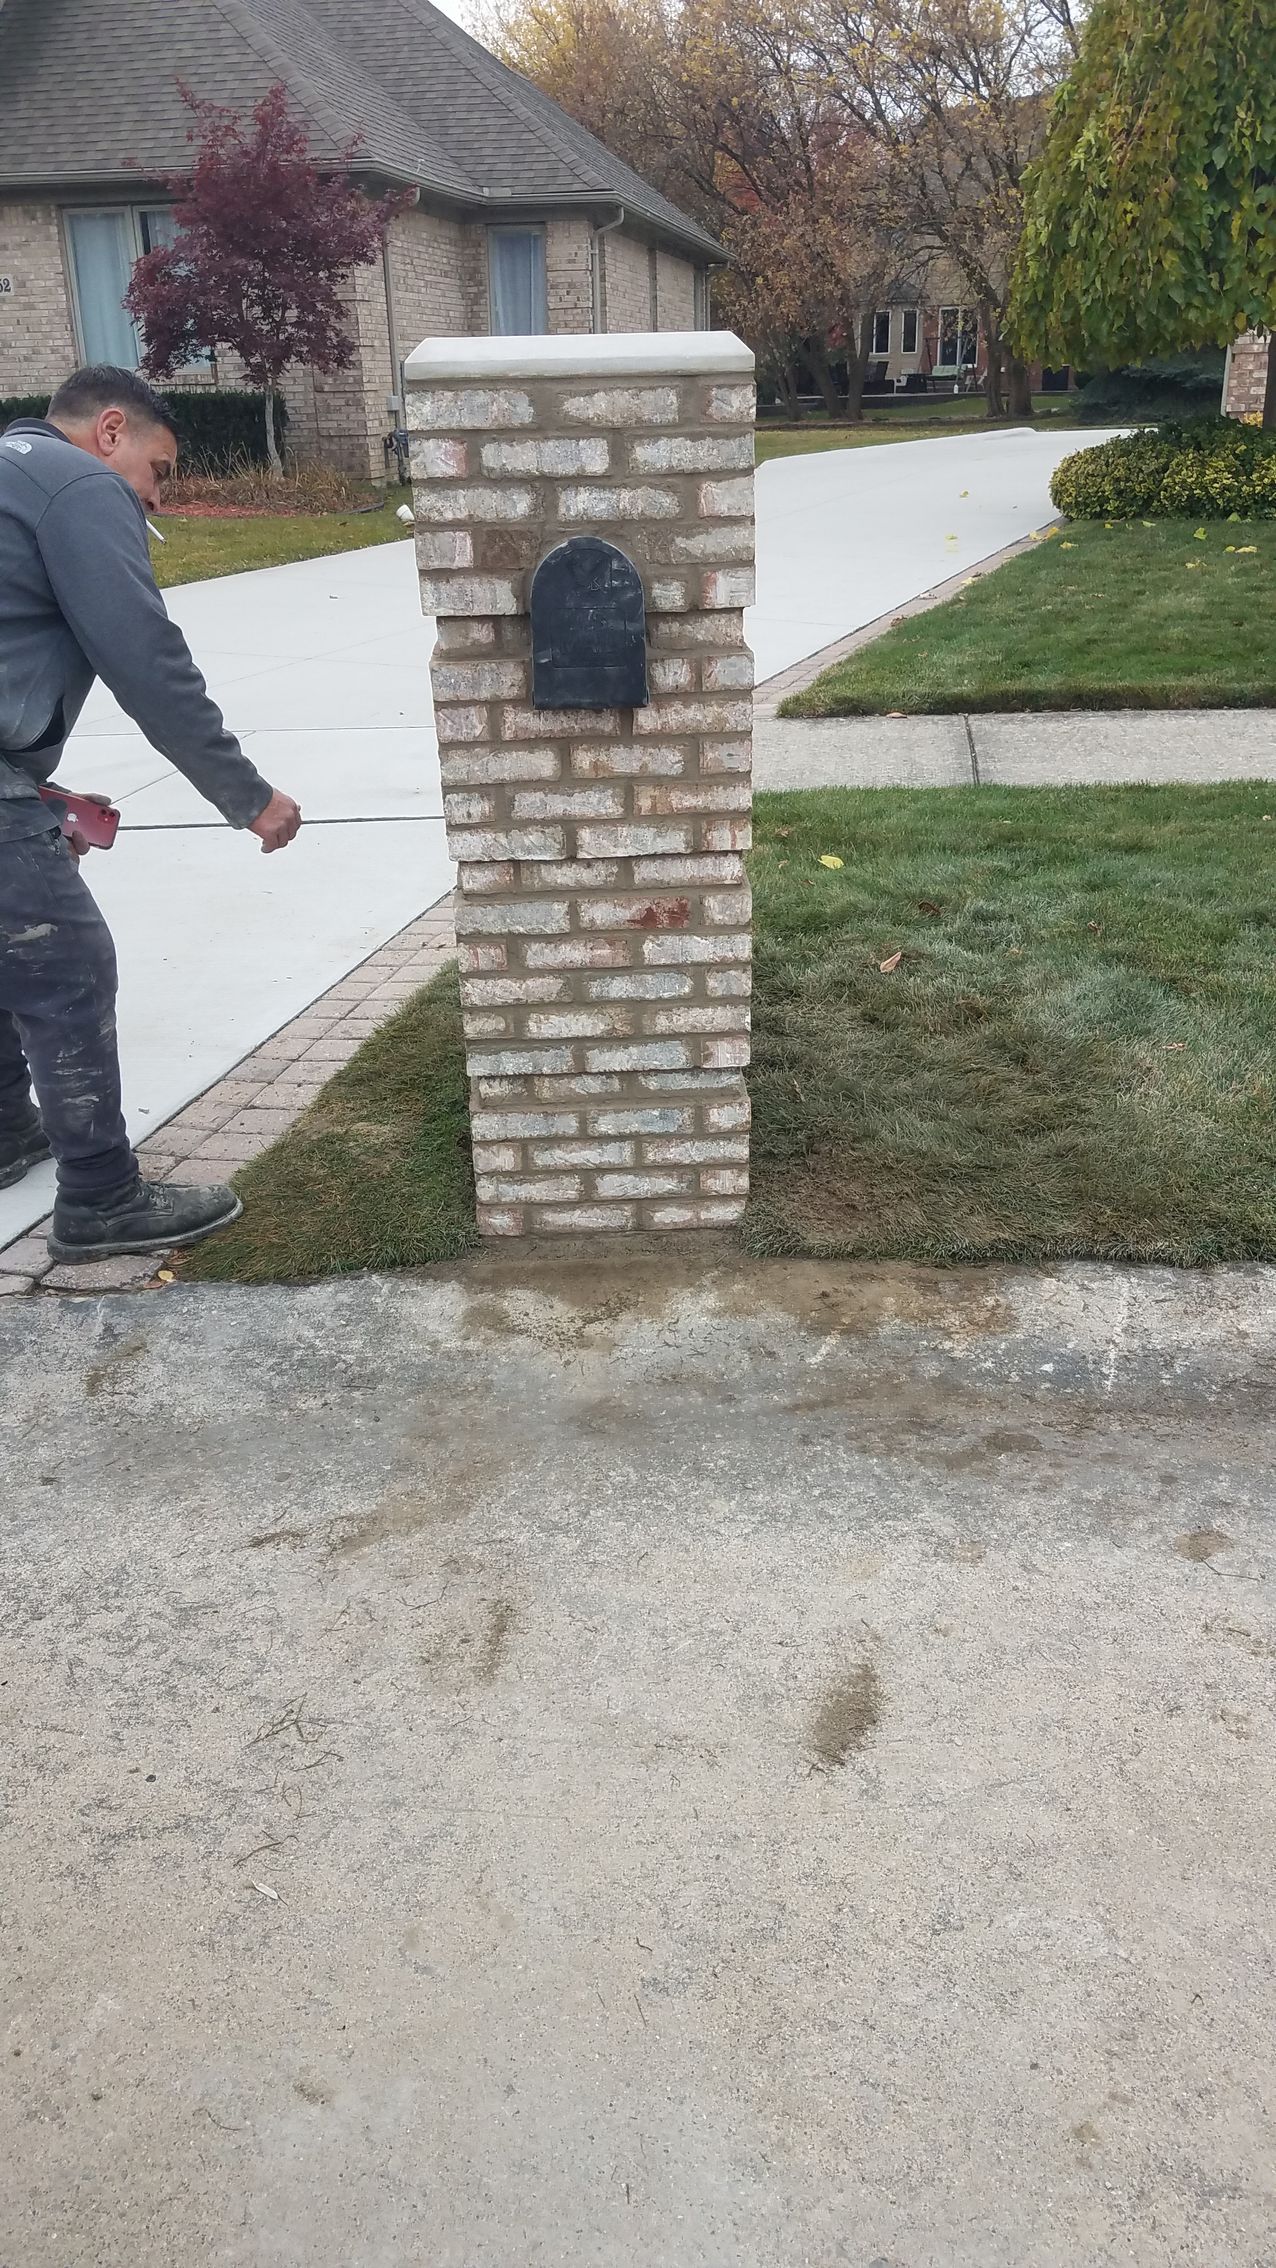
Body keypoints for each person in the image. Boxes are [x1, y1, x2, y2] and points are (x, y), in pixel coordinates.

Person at [0, 365, 302, 1263]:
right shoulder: (80, 485)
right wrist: (246, 795)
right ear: (109, 430)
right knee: (67, 968)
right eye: (159, 469)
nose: (154, 493)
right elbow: (144, 656)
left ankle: (9, 1135)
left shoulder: (11, 468)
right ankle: (101, 1198)